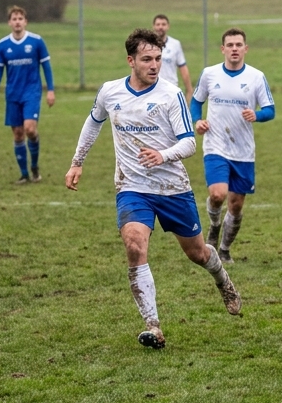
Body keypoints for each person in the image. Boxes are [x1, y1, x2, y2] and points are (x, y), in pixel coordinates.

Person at [65, 28, 241, 349]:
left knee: (198, 254)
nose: (154, 65)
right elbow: (94, 122)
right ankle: (153, 326)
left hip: (172, 188)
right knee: (134, 246)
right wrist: (77, 161)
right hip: (132, 187)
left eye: (159, 59)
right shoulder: (110, 92)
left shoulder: (170, 95)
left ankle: (222, 280)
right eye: (147, 59)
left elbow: (188, 143)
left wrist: (162, 154)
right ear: (130, 60)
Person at [191, 28, 275, 263]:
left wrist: (257, 115)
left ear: (245, 49)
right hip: (215, 146)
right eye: (230, 45)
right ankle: (214, 225)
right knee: (217, 195)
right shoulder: (210, 74)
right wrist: (198, 121)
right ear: (223, 49)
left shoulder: (256, 77)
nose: (235, 49)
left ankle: (225, 249)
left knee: (236, 205)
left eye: (239, 45)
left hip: (243, 150)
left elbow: (271, 110)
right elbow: (196, 102)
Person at [0, 6, 55, 183]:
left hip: (32, 92)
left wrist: (50, 90)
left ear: (25, 21)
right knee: (18, 134)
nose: (17, 21)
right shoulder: (3, 45)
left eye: (20, 18)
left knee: (30, 129)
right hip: (13, 94)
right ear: (9, 22)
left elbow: (46, 66)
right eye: (14, 19)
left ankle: (34, 166)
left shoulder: (36, 41)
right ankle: (25, 174)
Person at [152, 14, 191, 97]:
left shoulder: (175, 44)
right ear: (154, 26)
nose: (160, 27)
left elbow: (183, 67)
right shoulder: (148, 45)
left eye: (163, 24)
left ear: (168, 26)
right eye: (158, 24)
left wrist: (189, 90)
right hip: (153, 88)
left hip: (171, 88)